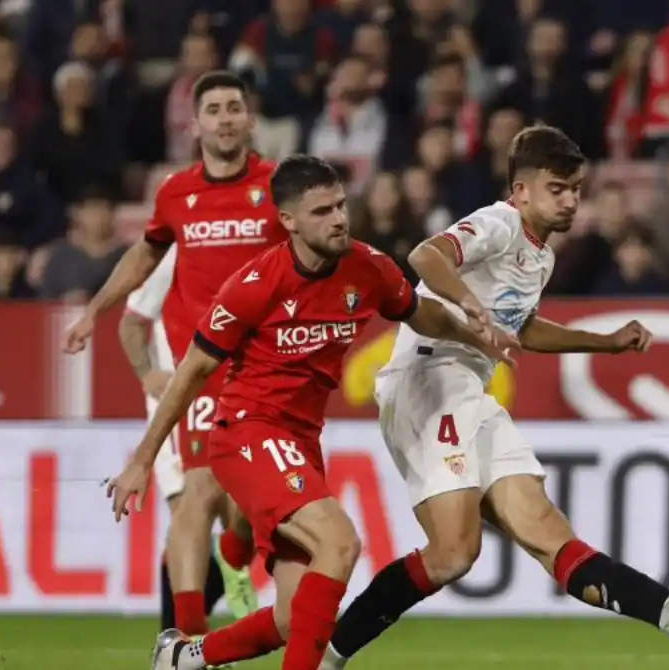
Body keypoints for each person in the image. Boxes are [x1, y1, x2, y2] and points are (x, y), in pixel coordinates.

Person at [319, 126, 669, 670]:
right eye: (558, 188)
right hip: (427, 381)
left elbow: (521, 327)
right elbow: (426, 256)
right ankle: (330, 654)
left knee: (551, 536)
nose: (571, 200)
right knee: (453, 553)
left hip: (470, 392)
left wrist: (604, 343)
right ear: (521, 191)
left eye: (576, 189)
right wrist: (471, 310)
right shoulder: (498, 223)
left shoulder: (541, 257)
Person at [105, 155, 515, 670]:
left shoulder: (368, 267)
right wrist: (143, 458)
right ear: (289, 221)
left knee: (291, 618)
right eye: (322, 211)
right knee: (340, 542)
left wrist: (472, 330)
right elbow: (190, 372)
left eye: (341, 204)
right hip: (247, 433)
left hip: (299, 441)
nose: (339, 218)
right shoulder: (255, 284)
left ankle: (184, 656)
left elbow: (417, 310)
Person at [63, 70, 286, 637]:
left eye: (235, 107)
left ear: (249, 118)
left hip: (264, 366)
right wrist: (95, 310)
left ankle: (234, 560)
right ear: (196, 124)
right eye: (214, 109)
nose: (226, 118)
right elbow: (142, 259)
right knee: (197, 493)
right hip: (203, 365)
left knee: (247, 504)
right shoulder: (176, 194)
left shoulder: (279, 187)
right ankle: (184, 638)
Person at [121, 244, 258, 626]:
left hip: (235, 388)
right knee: (190, 505)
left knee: (243, 514)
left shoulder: (257, 243)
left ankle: (232, 561)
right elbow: (131, 321)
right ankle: (179, 636)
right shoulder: (182, 249)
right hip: (181, 398)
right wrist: (148, 373)